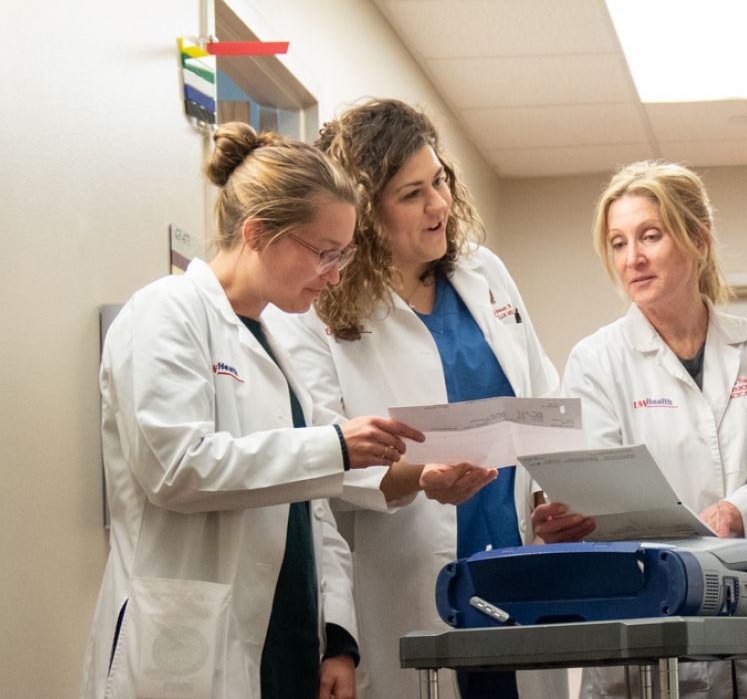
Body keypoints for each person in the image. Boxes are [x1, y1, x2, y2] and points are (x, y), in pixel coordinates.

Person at [82, 122, 428, 699]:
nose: (336, 275)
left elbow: (313, 507)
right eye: (325, 253)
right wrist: (334, 445)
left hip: (287, 639)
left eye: (344, 255)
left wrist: (337, 637)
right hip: (189, 644)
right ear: (258, 233)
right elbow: (175, 469)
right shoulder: (164, 314)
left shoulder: (275, 340)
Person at [268, 98, 568, 699]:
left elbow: (544, 399)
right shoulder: (315, 309)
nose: (438, 205)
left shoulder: (484, 274)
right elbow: (323, 457)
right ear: (365, 214)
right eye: (411, 194)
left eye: (439, 182)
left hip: (513, 563)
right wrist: (418, 477)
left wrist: (552, 496)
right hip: (405, 579)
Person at [538, 160, 747, 698]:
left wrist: (738, 511)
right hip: (641, 603)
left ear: (698, 240)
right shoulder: (597, 360)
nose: (631, 258)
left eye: (650, 236)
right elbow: (601, 485)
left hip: (743, 604)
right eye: (617, 243)